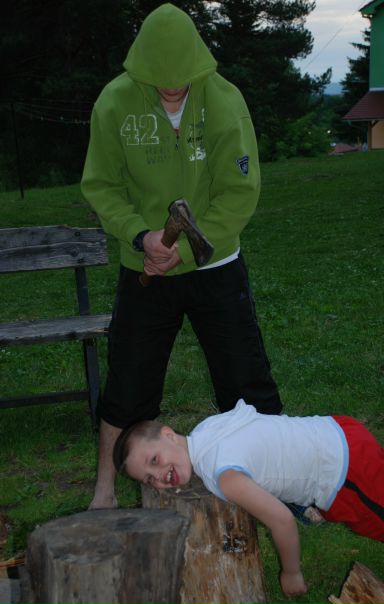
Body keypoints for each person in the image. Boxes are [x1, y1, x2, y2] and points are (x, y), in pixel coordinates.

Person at [81, 3, 282, 509]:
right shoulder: (114, 103)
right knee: (128, 382)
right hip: (145, 268)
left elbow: (239, 191)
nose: (172, 89)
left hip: (216, 266)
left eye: (182, 81)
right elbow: (102, 186)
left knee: (245, 379)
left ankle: (281, 482)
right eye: (160, 81)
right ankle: (105, 488)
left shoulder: (224, 100)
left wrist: (189, 250)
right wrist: (140, 236)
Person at [113, 399, 384, 598]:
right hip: (338, 432)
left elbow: (282, 520)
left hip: (346, 476)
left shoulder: (223, 474)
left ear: (168, 435)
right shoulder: (207, 429)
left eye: (154, 460)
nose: (159, 476)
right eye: (149, 479)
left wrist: (291, 572)